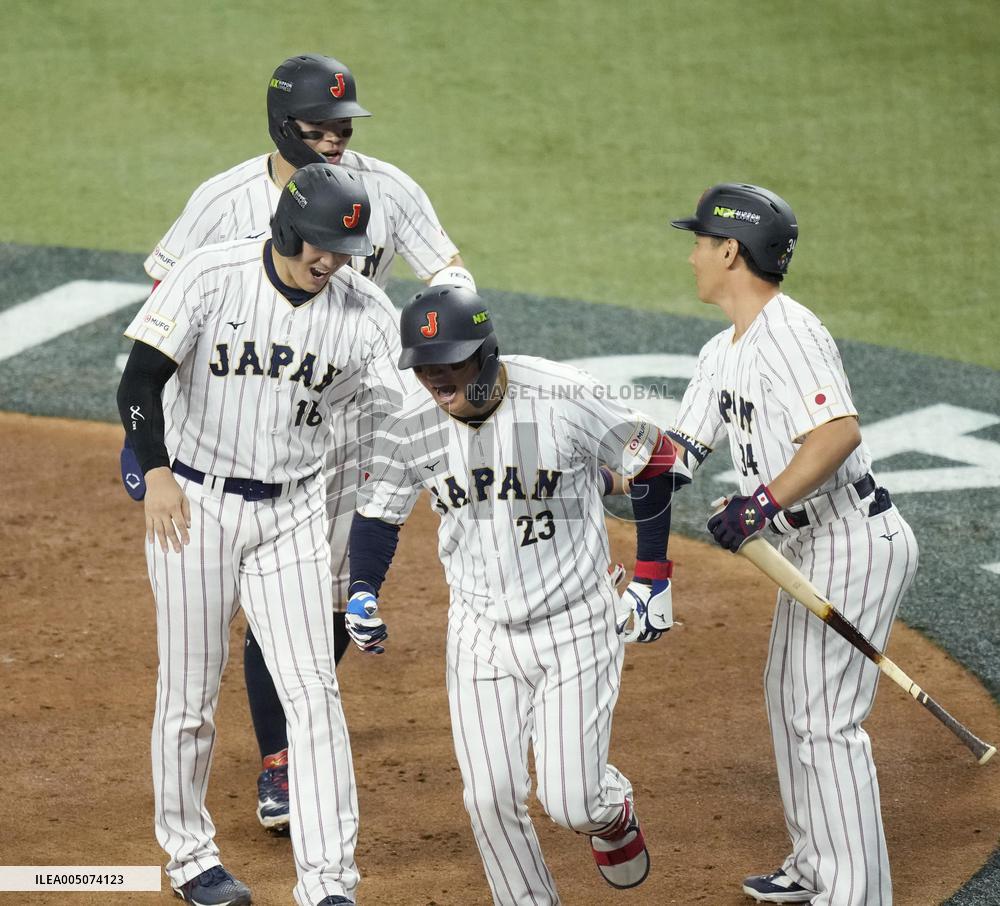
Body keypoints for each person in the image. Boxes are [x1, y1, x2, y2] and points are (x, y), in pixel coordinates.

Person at [138, 51, 471, 834]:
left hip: (345, 419)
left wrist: (445, 335)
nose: (337, 142)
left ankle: (282, 752)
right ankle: (277, 756)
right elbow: (164, 308)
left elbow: (448, 270)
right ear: (283, 124)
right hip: (228, 426)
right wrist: (147, 444)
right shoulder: (222, 203)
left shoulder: (385, 190)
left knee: (315, 598)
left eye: (344, 128)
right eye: (322, 130)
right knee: (221, 631)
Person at [117, 163, 410, 906]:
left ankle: (329, 883)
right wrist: (154, 476)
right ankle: (190, 859)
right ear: (287, 227)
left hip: (294, 517)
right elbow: (140, 379)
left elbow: (410, 418)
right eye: (320, 246)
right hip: (195, 510)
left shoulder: (367, 312)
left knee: (314, 695)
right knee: (188, 694)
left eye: (343, 251)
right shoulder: (211, 276)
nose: (331, 262)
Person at [343, 283, 690, 904]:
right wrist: (363, 589)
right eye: (424, 367)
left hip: (576, 623)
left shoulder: (562, 394)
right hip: (478, 634)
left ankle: (608, 815)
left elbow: (655, 459)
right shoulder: (411, 425)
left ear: (487, 353)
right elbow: (378, 515)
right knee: (489, 797)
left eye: (449, 362)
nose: (436, 379)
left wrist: (653, 577)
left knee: (571, 800)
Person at [665, 183, 918, 905]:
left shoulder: (791, 331)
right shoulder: (724, 350)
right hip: (810, 547)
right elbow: (677, 454)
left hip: (853, 541)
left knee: (823, 722)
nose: (690, 258)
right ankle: (814, 865)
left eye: (700, 243)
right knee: (790, 706)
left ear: (731, 251)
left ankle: (856, 895)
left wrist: (761, 503)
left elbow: (838, 433)